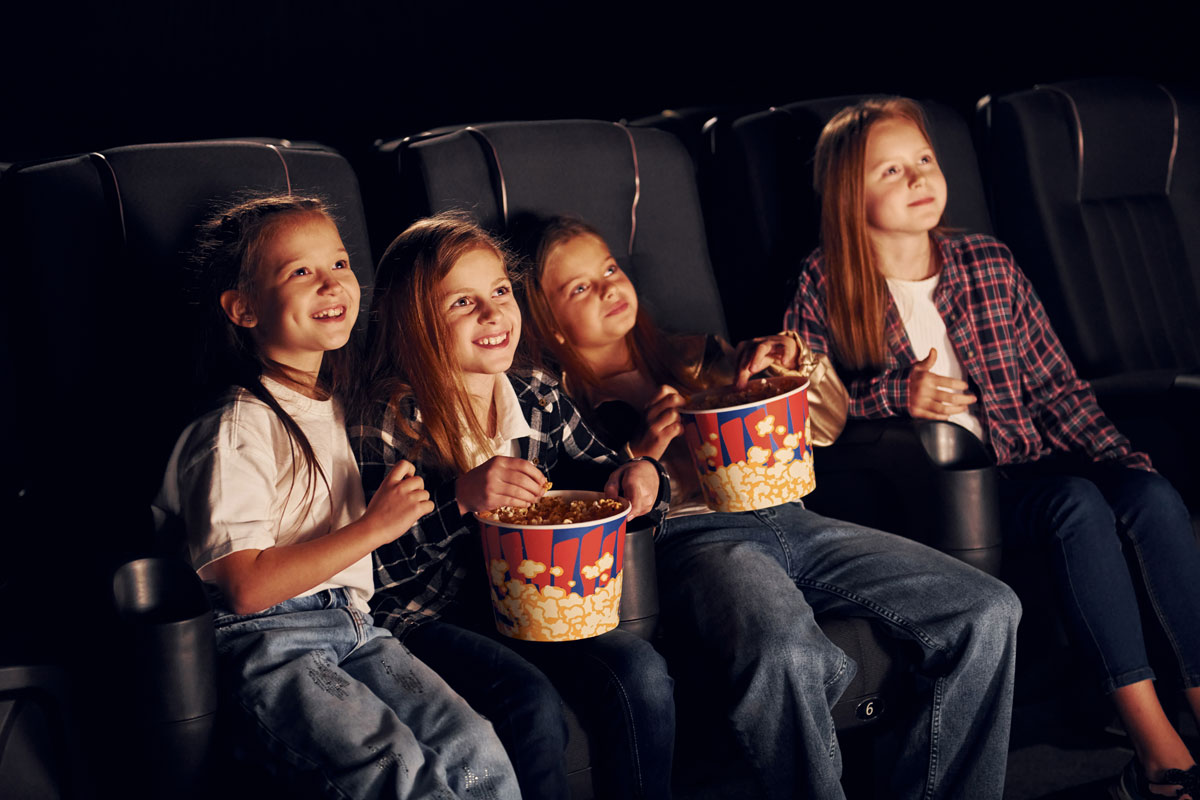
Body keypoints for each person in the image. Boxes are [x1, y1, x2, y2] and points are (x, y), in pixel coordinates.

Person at [521, 214, 1022, 800]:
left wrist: (793, 365)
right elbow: (566, 521)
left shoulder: (699, 355)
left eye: (609, 268)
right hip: (692, 540)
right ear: (551, 326)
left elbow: (827, 426)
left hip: (791, 517)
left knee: (987, 608)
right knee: (784, 649)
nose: (608, 287)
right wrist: (640, 455)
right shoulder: (555, 403)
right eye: (579, 287)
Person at [783, 96, 1200, 800]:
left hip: (1027, 461)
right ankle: (1156, 745)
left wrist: (1120, 456)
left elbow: (1057, 388)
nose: (919, 177)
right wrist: (894, 399)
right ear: (848, 195)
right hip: (937, 498)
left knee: (1148, 491)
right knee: (1074, 504)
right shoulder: (825, 281)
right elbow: (800, 415)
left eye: (924, 160)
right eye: (892, 170)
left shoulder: (986, 261)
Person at [152, 195, 518, 799]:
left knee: (474, 750)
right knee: (397, 769)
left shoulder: (337, 402)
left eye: (341, 264)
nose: (332, 283)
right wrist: (375, 527)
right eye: (301, 271)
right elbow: (245, 586)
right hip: (269, 639)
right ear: (243, 308)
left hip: (356, 625)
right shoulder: (235, 426)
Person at [349, 212, 675, 800]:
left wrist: (642, 477)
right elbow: (373, 570)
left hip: (536, 602)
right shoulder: (390, 421)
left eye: (500, 291)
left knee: (643, 674)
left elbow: (608, 470)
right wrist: (459, 499)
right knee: (529, 702)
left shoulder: (537, 395)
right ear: (415, 324)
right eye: (462, 303)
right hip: (427, 618)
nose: (493, 313)